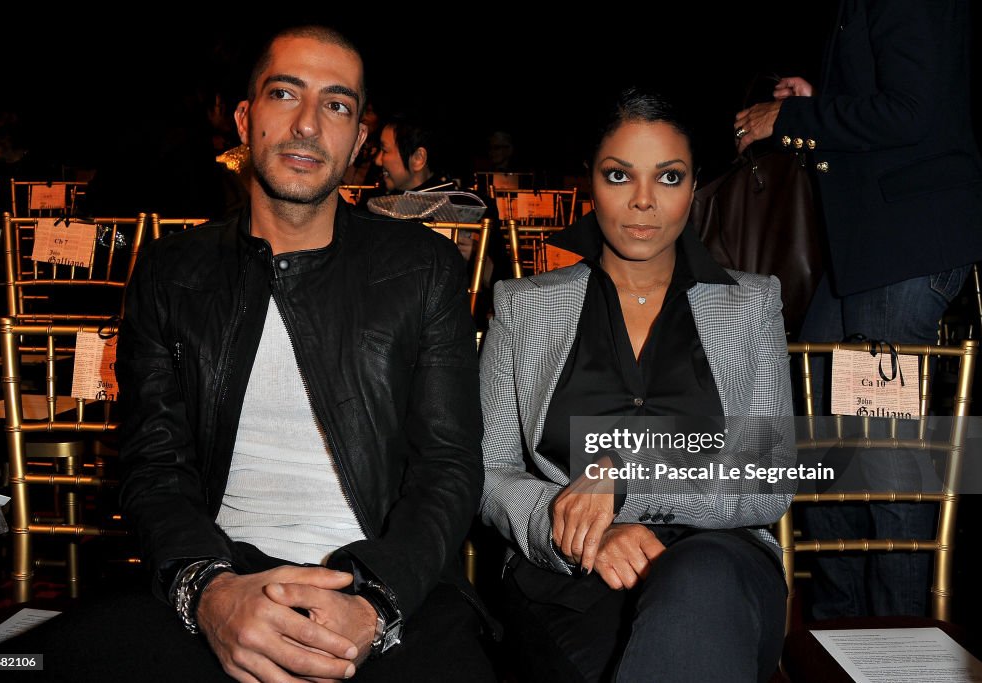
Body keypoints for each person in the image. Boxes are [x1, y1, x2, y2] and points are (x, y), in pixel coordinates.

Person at [0, 25, 494, 683]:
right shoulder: (173, 272)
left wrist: (377, 602)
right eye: (286, 93)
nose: (309, 124)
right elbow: (153, 466)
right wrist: (211, 592)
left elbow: (450, 467)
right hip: (219, 574)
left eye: (338, 104)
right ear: (245, 117)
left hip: (382, 585)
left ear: (360, 143)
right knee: (4, 660)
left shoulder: (422, 268)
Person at [478, 88, 794, 683]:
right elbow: (489, 474)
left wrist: (622, 478)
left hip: (718, 558)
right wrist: (573, 525)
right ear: (590, 183)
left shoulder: (752, 303)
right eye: (620, 175)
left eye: (668, 177)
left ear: (694, 185)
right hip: (567, 575)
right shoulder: (523, 307)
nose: (644, 201)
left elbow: (769, 477)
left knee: (701, 590)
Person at [733, 0, 982, 619]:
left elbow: (913, 112)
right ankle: (838, 628)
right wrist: (819, 97)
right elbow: (893, 98)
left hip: (904, 246)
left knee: (882, 452)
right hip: (870, 251)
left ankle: (894, 641)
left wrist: (794, 115)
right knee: (824, 442)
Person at [370, 112, 514, 327]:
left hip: (453, 329)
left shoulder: (472, 206)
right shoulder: (376, 205)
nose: (377, 160)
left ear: (418, 158)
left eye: (385, 150)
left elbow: (507, 286)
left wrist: (478, 254)